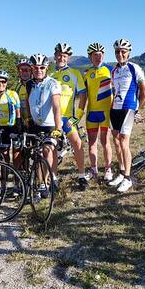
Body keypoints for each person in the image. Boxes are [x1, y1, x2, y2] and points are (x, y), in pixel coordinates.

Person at [108, 39, 145, 192]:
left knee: (124, 141)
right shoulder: (114, 71)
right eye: (117, 51)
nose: (120, 54)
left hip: (128, 108)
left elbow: (144, 91)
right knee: (116, 141)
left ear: (129, 53)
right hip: (115, 109)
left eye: (123, 51)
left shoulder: (135, 68)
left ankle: (128, 178)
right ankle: (121, 171)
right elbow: (114, 91)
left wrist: (137, 108)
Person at [49, 43, 89, 191]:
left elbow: (83, 95)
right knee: (52, 146)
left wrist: (78, 115)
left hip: (68, 118)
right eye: (59, 55)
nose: (61, 58)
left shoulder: (74, 73)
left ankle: (82, 176)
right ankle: (53, 178)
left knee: (77, 144)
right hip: (52, 119)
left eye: (64, 56)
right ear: (55, 56)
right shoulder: (50, 75)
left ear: (68, 58)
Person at [26, 53, 62, 199]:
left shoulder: (52, 83)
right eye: (35, 67)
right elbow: (27, 102)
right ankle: (45, 181)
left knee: (47, 151)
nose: (38, 70)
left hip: (50, 126)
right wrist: (28, 119)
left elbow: (56, 106)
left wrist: (58, 128)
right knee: (37, 155)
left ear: (46, 68)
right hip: (35, 125)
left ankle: (49, 180)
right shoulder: (29, 84)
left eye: (42, 67)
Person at [83, 42, 114, 182]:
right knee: (92, 143)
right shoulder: (87, 73)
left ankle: (108, 169)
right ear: (90, 57)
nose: (98, 57)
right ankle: (93, 169)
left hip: (106, 113)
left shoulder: (111, 70)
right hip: (91, 113)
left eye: (100, 54)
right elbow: (82, 94)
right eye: (95, 55)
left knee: (105, 141)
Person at [0, 69, 21, 161]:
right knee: (4, 153)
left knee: (16, 151)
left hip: (14, 126)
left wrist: (18, 126)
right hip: (1, 128)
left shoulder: (12, 94)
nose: (0, 84)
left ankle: (17, 173)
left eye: (3, 81)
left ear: (7, 82)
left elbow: (18, 111)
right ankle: (5, 174)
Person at [15, 58, 32, 130]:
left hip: (35, 122)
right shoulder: (16, 87)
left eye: (27, 70)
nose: (24, 73)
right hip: (22, 122)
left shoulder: (36, 86)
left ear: (31, 71)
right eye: (21, 70)